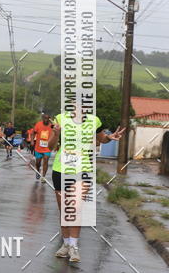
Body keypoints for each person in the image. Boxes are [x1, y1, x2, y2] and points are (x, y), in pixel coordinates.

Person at [48, 112, 124, 264]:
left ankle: (74, 246)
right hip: (60, 169)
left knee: (75, 208)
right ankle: (66, 244)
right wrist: (56, 133)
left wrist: (109, 137)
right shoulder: (60, 118)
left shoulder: (94, 120)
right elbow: (51, 146)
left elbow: (100, 138)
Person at [32, 112, 54, 182]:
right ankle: (38, 171)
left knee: (46, 160)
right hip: (38, 147)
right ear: (43, 118)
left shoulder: (52, 126)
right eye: (45, 118)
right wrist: (32, 141)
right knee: (38, 162)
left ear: (49, 119)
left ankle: (43, 176)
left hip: (47, 147)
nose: (46, 120)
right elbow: (33, 133)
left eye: (47, 118)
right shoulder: (38, 124)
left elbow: (56, 133)